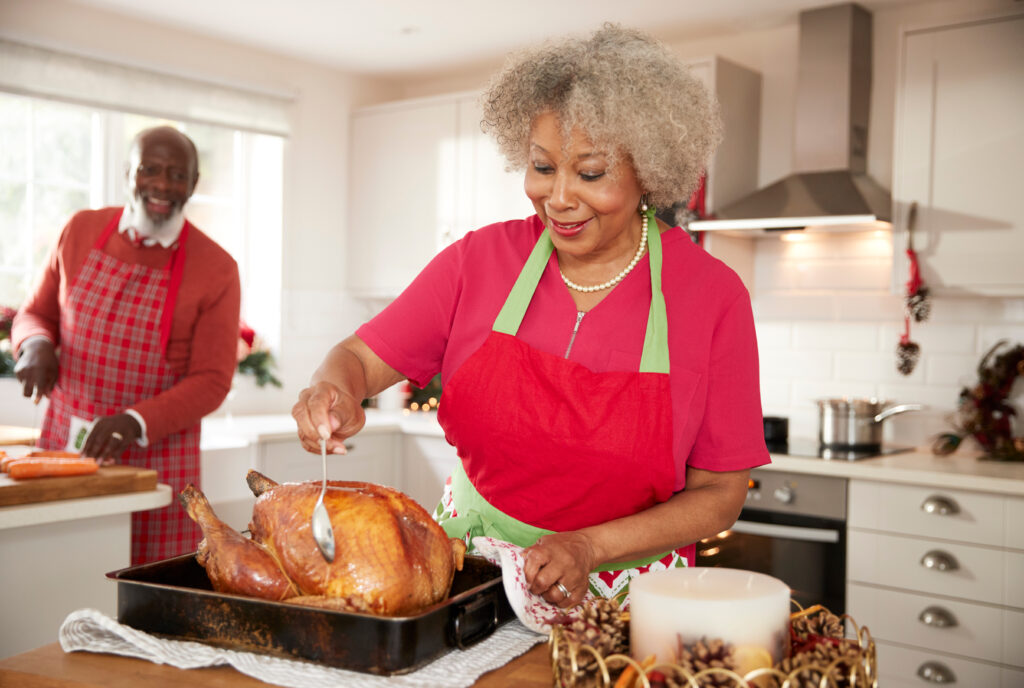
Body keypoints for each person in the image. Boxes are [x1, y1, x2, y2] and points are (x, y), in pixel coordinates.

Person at [292, 24, 768, 609]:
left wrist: (590, 546)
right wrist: (334, 390)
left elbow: (721, 493)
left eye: (590, 174)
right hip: (468, 569)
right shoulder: (480, 260)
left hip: (628, 597)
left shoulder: (710, 295)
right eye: (543, 167)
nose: (559, 197)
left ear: (647, 170)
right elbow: (359, 359)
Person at [12, 125, 241, 565]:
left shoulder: (217, 268)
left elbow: (213, 380)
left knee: (146, 596)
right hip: (65, 448)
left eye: (177, 175)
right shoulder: (80, 229)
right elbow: (35, 313)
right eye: (149, 169)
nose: (161, 185)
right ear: (127, 173)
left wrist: (134, 421)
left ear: (192, 185)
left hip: (157, 462)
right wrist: (36, 344)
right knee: (59, 574)